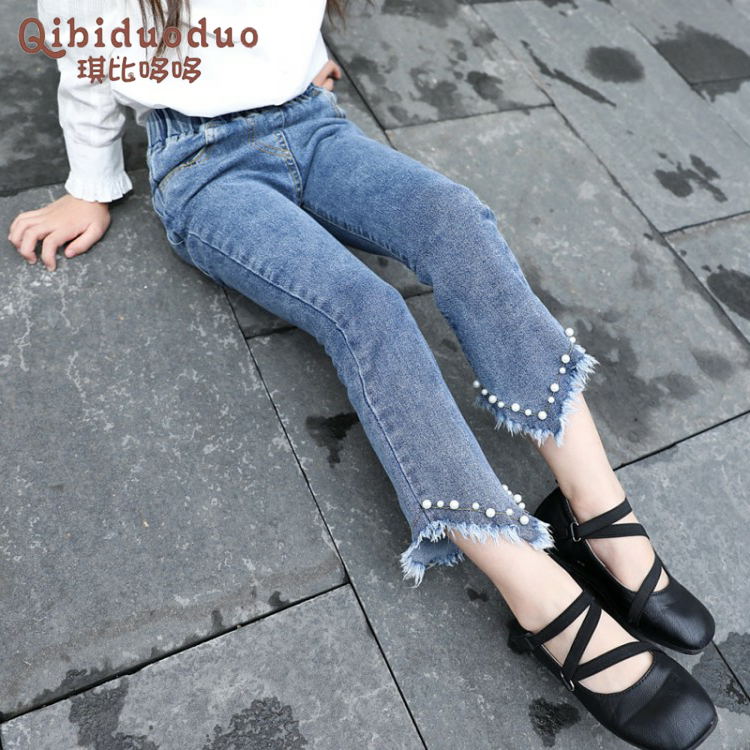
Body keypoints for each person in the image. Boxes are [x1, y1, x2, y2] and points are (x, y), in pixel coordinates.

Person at [8, 2, 719, 747]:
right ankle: (535, 589)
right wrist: (91, 183)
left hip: (312, 122)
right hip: (203, 166)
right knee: (367, 312)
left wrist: (298, 52)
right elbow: (85, 52)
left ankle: (595, 510)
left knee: (457, 222)